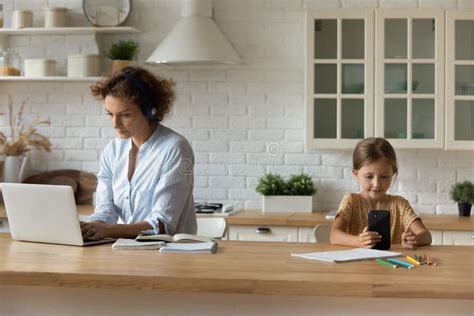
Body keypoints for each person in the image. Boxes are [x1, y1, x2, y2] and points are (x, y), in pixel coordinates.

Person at [80, 66, 196, 240]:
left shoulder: (175, 148)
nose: (115, 123)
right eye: (110, 114)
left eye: (125, 115)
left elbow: (162, 224)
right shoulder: (112, 150)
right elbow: (105, 211)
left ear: (150, 110)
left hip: (170, 254)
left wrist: (108, 231)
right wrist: (94, 226)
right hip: (125, 251)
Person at [330, 137, 431, 249]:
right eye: (369, 176)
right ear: (355, 174)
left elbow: (426, 235)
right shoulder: (351, 201)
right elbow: (334, 235)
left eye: (384, 177)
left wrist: (414, 239)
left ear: (393, 173)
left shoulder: (400, 204)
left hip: (391, 265)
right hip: (358, 266)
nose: (377, 184)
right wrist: (359, 241)